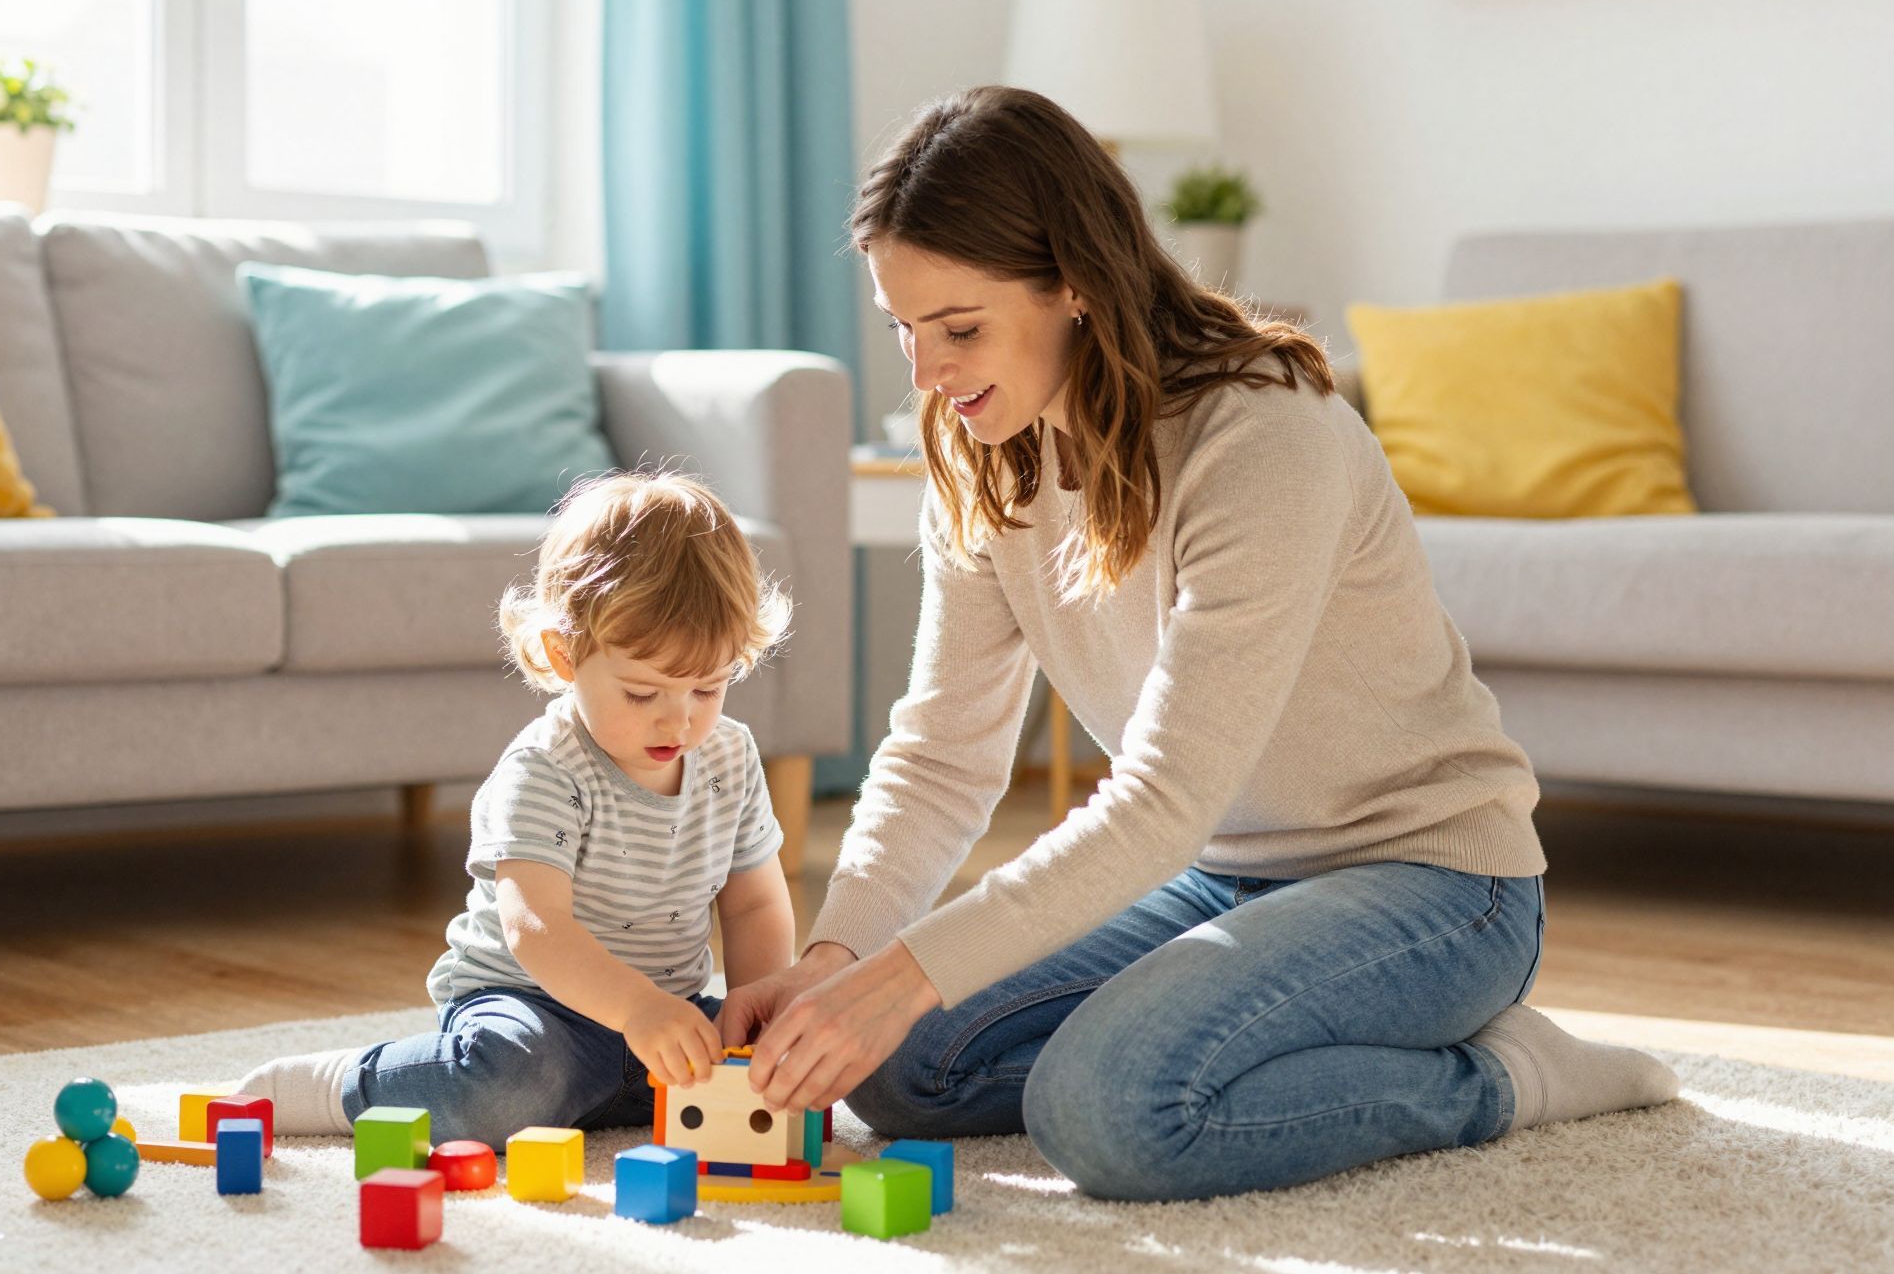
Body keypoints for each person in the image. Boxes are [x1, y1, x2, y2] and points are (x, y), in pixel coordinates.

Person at [719, 85, 1678, 1202]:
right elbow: (941, 755)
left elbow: (1163, 796)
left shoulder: (1261, 436)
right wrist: (838, 965)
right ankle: (1255, 1033)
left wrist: (904, 973)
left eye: (959, 329)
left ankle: (1502, 1074)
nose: (925, 376)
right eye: (902, 328)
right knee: (897, 1070)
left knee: (1108, 1108)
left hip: (1429, 882)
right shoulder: (984, 455)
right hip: (1221, 877)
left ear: (1072, 281)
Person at [236, 472, 797, 1146]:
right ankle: (347, 1084)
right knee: (508, 1088)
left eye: (708, 688)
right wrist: (636, 1007)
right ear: (566, 656)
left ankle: (602, 1097)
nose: (678, 720)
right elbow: (536, 926)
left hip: (662, 1016)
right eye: (644, 694)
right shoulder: (547, 766)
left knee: (817, 1053)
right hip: (536, 1013)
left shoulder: (730, 758)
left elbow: (754, 905)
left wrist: (754, 1015)